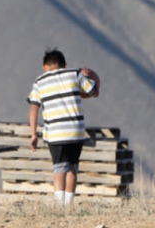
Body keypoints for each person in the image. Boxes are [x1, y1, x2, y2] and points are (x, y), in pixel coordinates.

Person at [27, 48, 100, 209]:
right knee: (72, 167)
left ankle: (60, 206)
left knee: (59, 167)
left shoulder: (39, 82)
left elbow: (34, 108)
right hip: (75, 131)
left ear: (44, 66)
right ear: (64, 65)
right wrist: (93, 77)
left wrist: (33, 134)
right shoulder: (74, 74)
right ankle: (69, 205)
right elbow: (93, 91)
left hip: (55, 133)